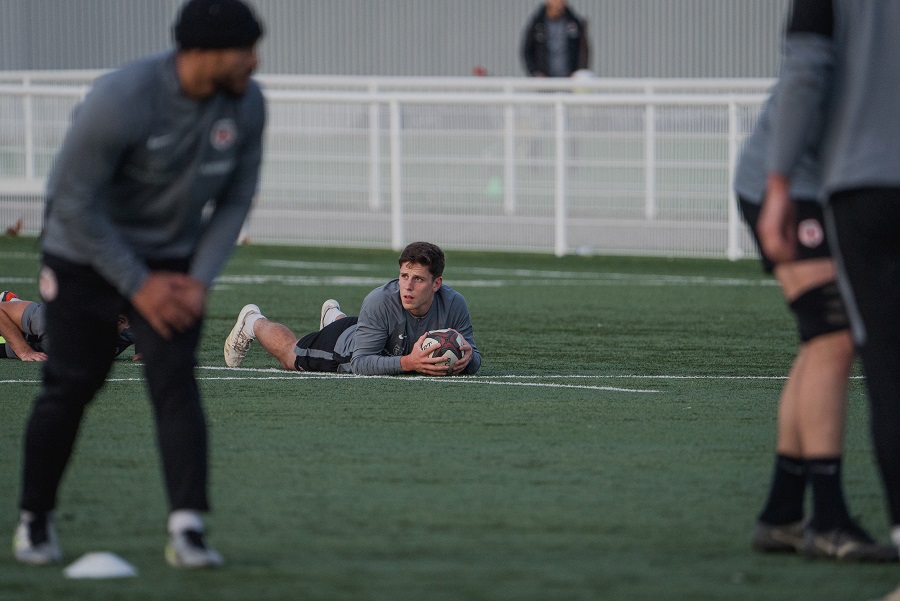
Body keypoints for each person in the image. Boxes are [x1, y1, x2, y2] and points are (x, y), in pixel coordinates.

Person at [13, 0, 265, 569]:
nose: (255, 61)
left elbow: (235, 200)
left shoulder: (248, 105)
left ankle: (188, 528)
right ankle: (34, 518)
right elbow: (71, 204)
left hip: (171, 262)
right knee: (71, 385)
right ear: (202, 53)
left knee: (175, 380)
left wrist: (198, 281)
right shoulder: (121, 98)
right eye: (245, 50)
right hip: (85, 255)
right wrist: (137, 283)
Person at [758, 0, 900, 560]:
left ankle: (788, 514)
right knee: (833, 340)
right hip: (816, 184)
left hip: (844, 181)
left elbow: (807, 66)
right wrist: (778, 187)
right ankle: (823, 516)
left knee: (843, 346)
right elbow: (804, 76)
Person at [223, 241, 481, 377]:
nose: (408, 286)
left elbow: (475, 356)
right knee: (291, 356)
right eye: (404, 276)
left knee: (368, 331)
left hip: (368, 330)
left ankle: (333, 316)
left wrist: (469, 360)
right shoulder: (379, 301)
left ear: (437, 283)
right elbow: (359, 363)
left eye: (418, 279)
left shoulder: (454, 303)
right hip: (343, 348)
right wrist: (409, 362)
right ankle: (253, 321)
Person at [0, 291, 136, 361]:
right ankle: (11, 301)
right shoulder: (53, 320)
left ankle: (12, 300)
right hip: (14, 331)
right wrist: (24, 351)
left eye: (121, 321)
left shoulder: (125, 333)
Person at [521, 0, 590, 78]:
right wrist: (534, 72)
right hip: (544, 81)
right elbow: (527, 50)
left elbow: (583, 50)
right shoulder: (537, 24)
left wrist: (579, 72)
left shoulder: (573, 22)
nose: (559, 3)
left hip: (569, 81)